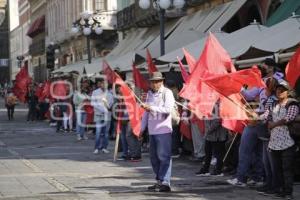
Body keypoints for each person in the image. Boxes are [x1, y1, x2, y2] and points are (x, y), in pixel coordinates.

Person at [262, 80, 299, 199]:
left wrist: (273, 124)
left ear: (288, 92)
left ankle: (288, 192)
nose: (279, 92)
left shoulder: (292, 104)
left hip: (288, 141)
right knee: (277, 168)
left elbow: (289, 118)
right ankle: (280, 190)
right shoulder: (274, 104)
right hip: (274, 142)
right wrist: (258, 117)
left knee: (287, 168)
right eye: (278, 90)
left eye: (282, 90)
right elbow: (266, 116)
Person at [141, 72, 175, 192]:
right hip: (152, 131)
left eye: (157, 81)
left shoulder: (167, 93)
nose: (154, 84)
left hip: (164, 130)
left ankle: (165, 182)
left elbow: (168, 109)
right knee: (154, 158)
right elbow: (145, 113)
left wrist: (151, 108)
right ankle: (159, 180)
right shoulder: (149, 94)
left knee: (164, 156)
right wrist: (141, 129)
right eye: (152, 82)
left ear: (161, 81)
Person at [196, 101, 228, 176]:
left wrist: (209, 130)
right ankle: (205, 169)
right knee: (208, 152)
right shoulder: (209, 105)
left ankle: (218, 170)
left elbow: (217, 121)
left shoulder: (219, 105)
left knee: (218, 153)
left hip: (217, 135)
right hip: (210, 134)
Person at [91, 78, 113, 154]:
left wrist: (106, 107)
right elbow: (92, 103)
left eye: (106, 84)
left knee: (106, 132)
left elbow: (110, 105)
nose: (104, 85)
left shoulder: (110, 94)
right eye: (103, 83)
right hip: (98, 114)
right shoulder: (95, 92)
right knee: (98, 132)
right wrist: (100, 108)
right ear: (100, 84)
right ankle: (96, 147)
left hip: (107, 115)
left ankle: (104, 147)